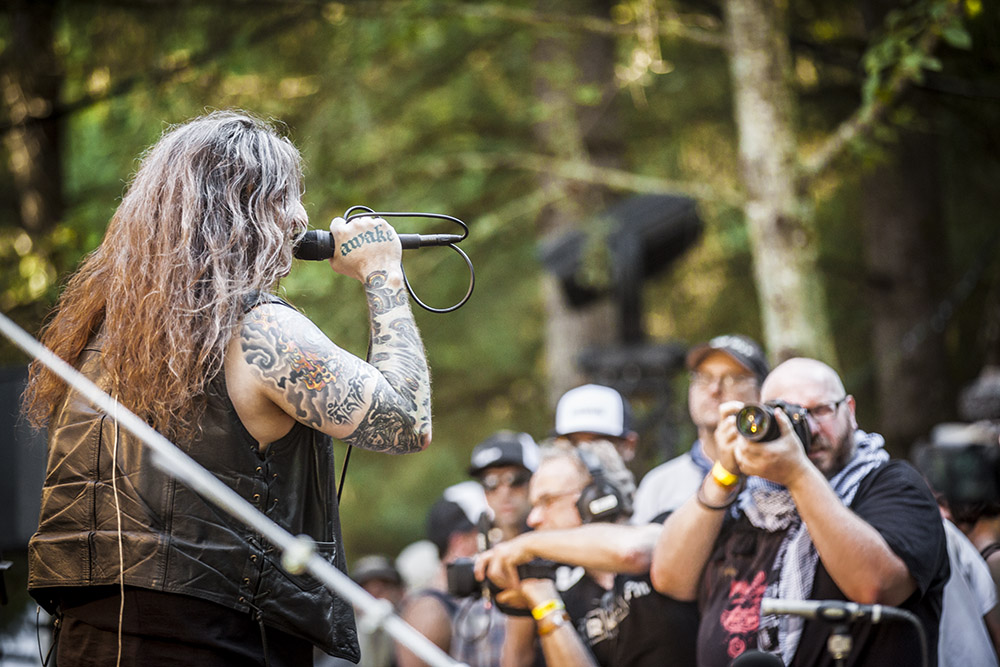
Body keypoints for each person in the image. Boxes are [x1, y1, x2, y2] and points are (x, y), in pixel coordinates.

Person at [20, 111, 433, 666]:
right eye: (286, 197)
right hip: (217, 642)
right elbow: (407, 419)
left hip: (85, 642)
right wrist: (383, 271)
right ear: (244, 210)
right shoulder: (258, 329)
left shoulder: (94, 335)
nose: (301, 217)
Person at [650, 357, 949, 666]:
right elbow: (670, 578)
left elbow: (876, 588)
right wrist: (724, 475)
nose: (808, 428)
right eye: (788, 415)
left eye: (820, 410)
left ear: (850, 411)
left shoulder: (892, 484)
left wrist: (797, 474)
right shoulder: (748, 504)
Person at [477, 439, 698, 667]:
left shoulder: (664, 529)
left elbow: (632, 552)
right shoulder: (566, 596)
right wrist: (545, 601)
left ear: (596, 498)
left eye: (547, 501)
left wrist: (526, 544)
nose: (533, 519)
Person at [631, 334, 768, 524]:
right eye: (704, 377)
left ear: (762, 393)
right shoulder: (659, 485)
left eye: (733, 378)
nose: (714, 389)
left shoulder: (776, 477)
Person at [396, 486, 500, 667]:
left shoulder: (471, 597)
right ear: (460, 543)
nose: (498, 539)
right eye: (488, 531)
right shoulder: (430, 609)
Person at [320, 556, 407, 667]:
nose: (375, 591)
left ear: (401, 592)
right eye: (364, 587)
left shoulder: (415, 636)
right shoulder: (341, 648)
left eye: (385, 584)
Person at [469, 430, 540, 545]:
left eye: (516, 480)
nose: (504, 492)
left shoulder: (559, 540)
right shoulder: (481, 549)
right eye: (490, 483)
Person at [554, 383, 639, 465]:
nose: (583, 454)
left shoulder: (651, 480)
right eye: (572, 442)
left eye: (599, 443)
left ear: (629, 445)